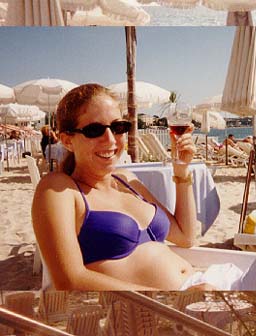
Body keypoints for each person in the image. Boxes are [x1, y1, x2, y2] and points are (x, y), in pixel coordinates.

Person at [31, 83, 216, 291]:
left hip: (197, 282)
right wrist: (173, 298)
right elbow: (69, 280)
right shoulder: (58, 189)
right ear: (67, 140)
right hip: (158, 306)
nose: (110, 140)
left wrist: (181, 171)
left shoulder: (126, 180)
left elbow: (186, 237)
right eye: (94, 130)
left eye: (118, 127)